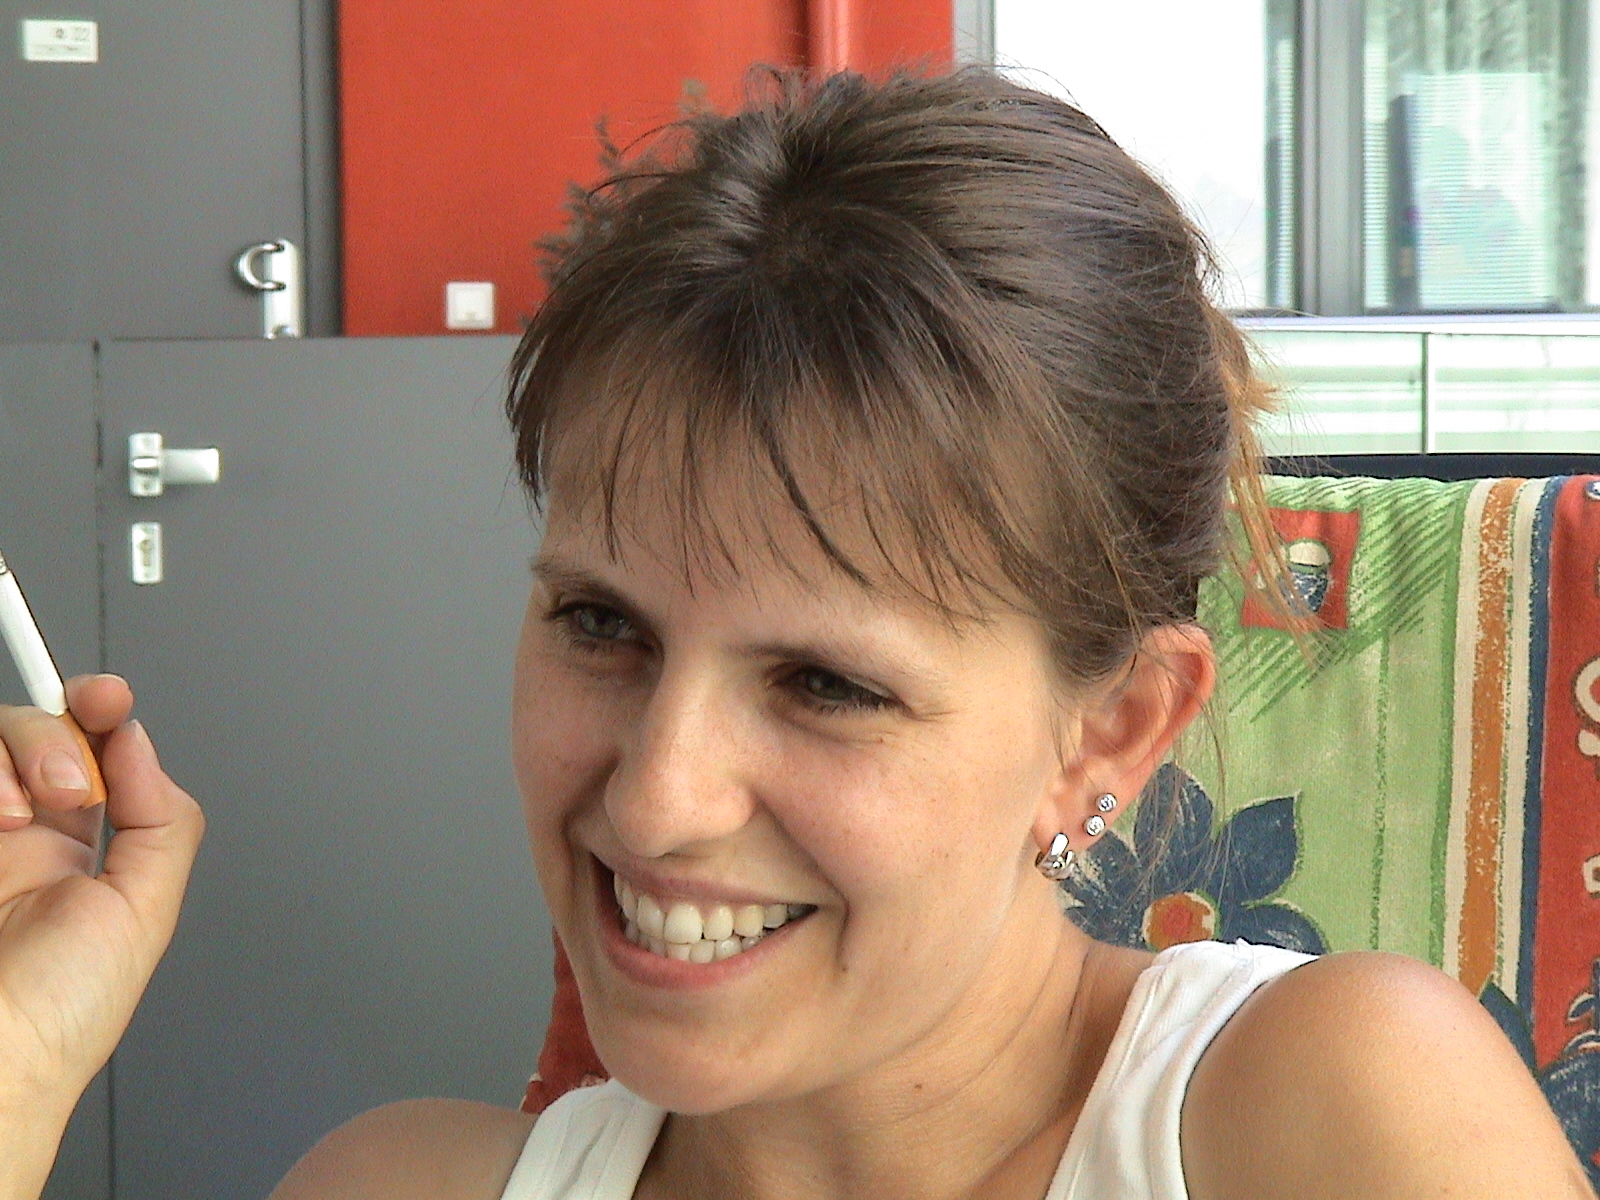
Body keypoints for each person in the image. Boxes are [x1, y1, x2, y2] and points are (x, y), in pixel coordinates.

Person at [0, 69, 1590, 1200]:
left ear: (1108, 732)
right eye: (602, 623)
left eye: (828, 682)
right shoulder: (394, 1184)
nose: (653, 799)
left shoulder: (1325, 1121)